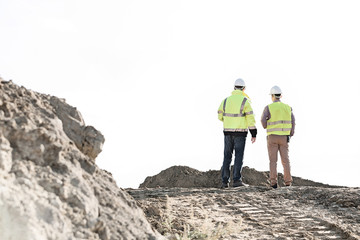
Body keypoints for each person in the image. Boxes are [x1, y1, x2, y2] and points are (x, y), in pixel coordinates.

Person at [218, 78, 257, 188]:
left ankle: (224, 182)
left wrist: (228, 122)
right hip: (240, 133)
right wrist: (253, 133)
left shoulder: (225, 100)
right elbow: (250, 118)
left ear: (234, 88)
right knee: (238, 156)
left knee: (227, 156)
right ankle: (236, 180)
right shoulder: (245, 101)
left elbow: (219, 116)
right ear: (244, 89)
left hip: (227, 132)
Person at [261, 86, 295, 189]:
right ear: (281, 95)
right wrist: (290, 133)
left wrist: (266, 125)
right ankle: (288, 182)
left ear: (272, 96)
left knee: (273, 161)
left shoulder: (268, 107)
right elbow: (293, 122)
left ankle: (273, 183)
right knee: (285, 160)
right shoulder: (288, 107)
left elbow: (263, 121)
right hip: (284, 137)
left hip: (272, 137)